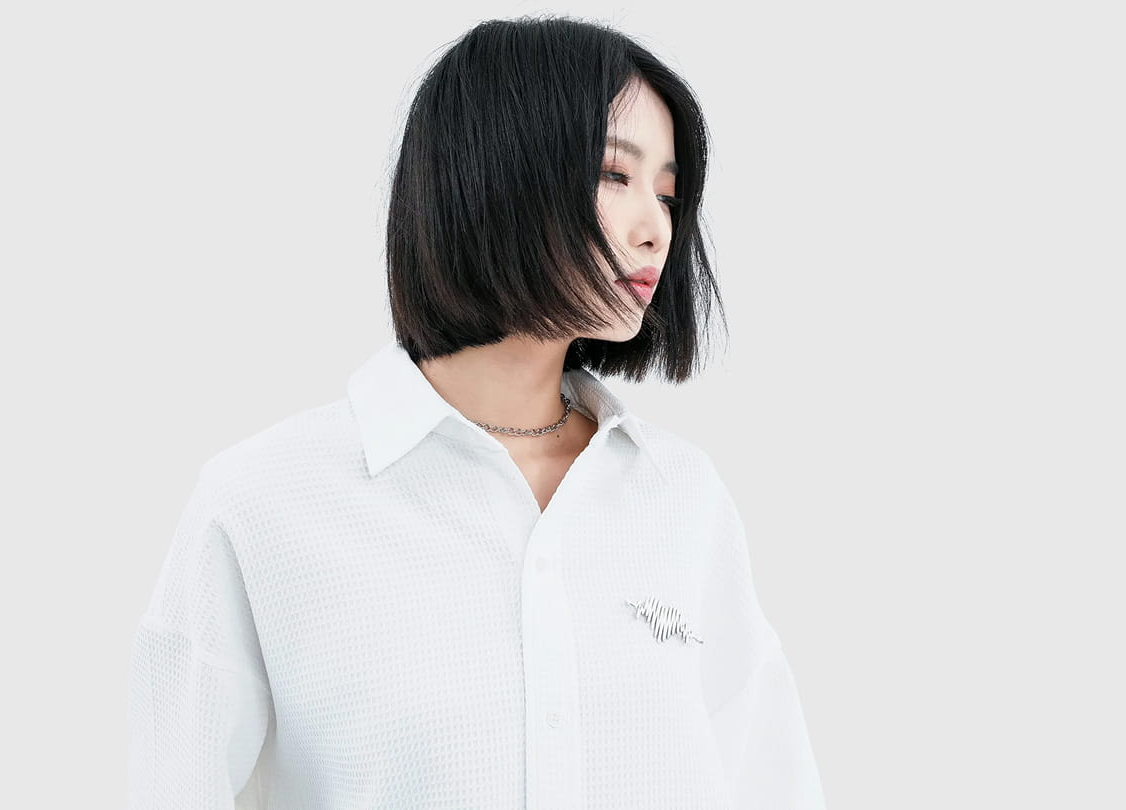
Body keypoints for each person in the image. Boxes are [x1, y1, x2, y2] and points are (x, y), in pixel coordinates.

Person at [128, 14, 826, 809]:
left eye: (668, 194)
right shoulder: (264, 504)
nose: (655, 230)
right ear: (497, 172)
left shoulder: (682, 495)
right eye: (614, 176)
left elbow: (771, 778)